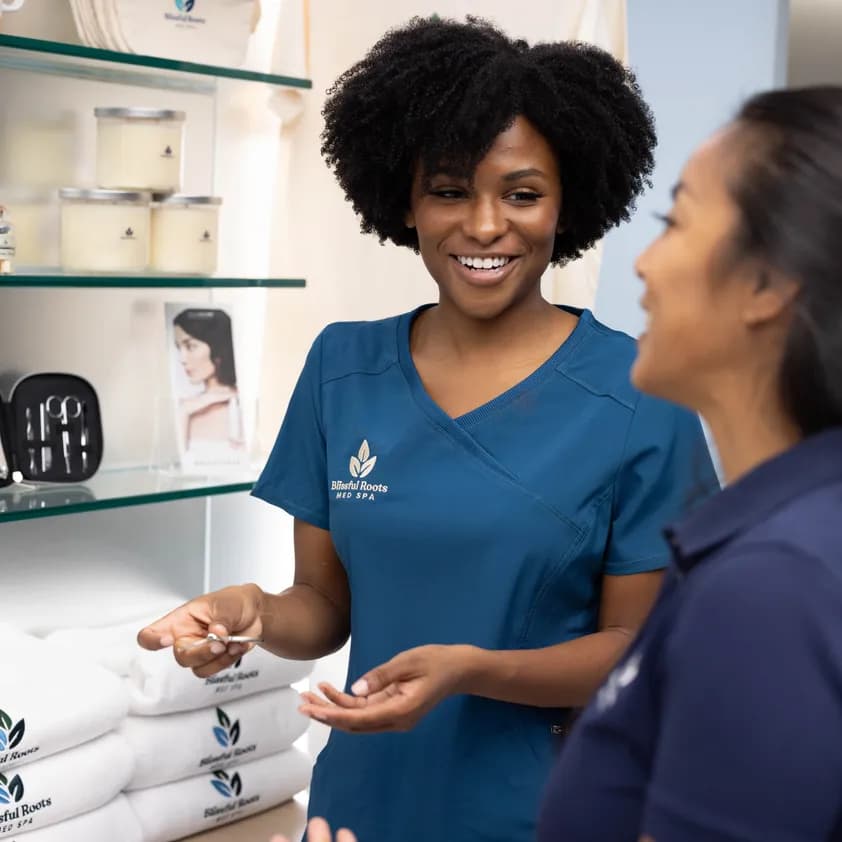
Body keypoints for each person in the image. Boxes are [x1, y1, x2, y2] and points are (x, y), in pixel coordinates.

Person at [139, 17, 716, 842]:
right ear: (404, 202)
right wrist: (251, 613)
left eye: (522, 193)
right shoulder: (345, 368)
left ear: (569, 202)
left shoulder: (641, 394)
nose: (483, 226)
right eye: (449, 190)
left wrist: (471, 671)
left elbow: (640, 651)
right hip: (357, 811)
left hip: (543, 815)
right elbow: (324, 608)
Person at [535, 86, 842, 841]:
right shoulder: (788, 537)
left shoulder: (770, 588)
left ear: (766, 284)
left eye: (673, 222)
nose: (642, 263)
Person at [171, 307, 244, 459]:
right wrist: (183, 413)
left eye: (190, 346)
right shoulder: (186, 407)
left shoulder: (242, 406)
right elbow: (179, 468)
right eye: (179, 348)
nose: (182, 359)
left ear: (217, 346)